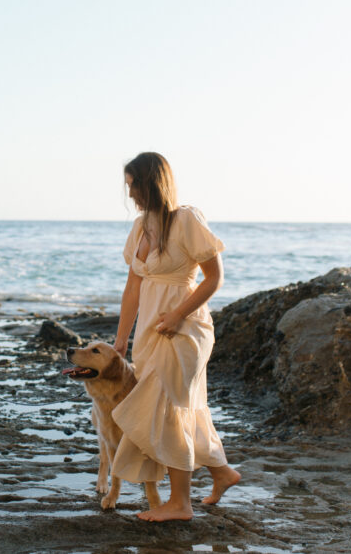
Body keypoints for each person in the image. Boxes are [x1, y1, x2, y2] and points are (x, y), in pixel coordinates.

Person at [110, 152, 240, 522]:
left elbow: (214, 278)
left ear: (152, 183)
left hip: (185, 328)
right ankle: (221, 472)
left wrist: (177, 315)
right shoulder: (139, 227)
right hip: (152, 329)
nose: (130, 192)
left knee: (168, 407)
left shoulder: (186, 219)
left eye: (134, 184)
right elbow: (133, 288)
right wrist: (121, 340)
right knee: (181, 406)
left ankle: (180, 503)